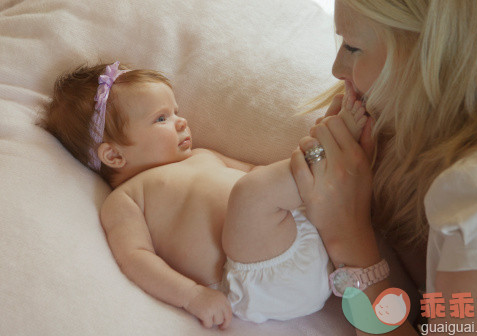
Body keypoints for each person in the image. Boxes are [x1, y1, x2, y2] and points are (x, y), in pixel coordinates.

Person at [41, 61, 369, 329]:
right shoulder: (126, 199)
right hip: (253, 277)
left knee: (259, 186)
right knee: (251, 194)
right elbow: (136, 259)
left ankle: (330, 154)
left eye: (175, 111)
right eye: (161, 118)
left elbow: (257, 172)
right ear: (113, 156)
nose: (181, 122)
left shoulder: (203, 155)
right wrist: (192, 295)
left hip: (302, 238)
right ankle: (328, 150)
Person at [290, 0, 477, 335]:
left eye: (353, 47)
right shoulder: (408, 132)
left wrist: (348, 240)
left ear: (437, 55)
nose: (337, 68)